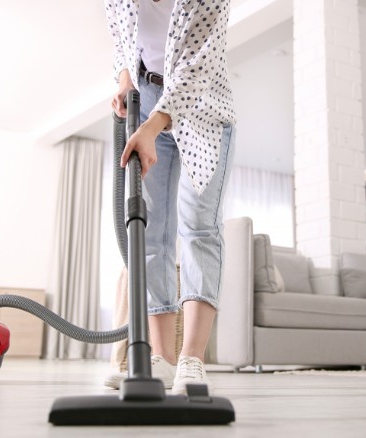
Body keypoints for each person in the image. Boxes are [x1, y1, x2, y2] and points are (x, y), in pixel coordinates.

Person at [102, 0, 236, 395]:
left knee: (199, 228)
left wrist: (153, 126)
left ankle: (192, 359)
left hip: (203, 107)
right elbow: (122, 38)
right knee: (151, 233)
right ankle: (161, 358)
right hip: (146, 96)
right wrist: (125, 79)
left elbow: (196, 68)